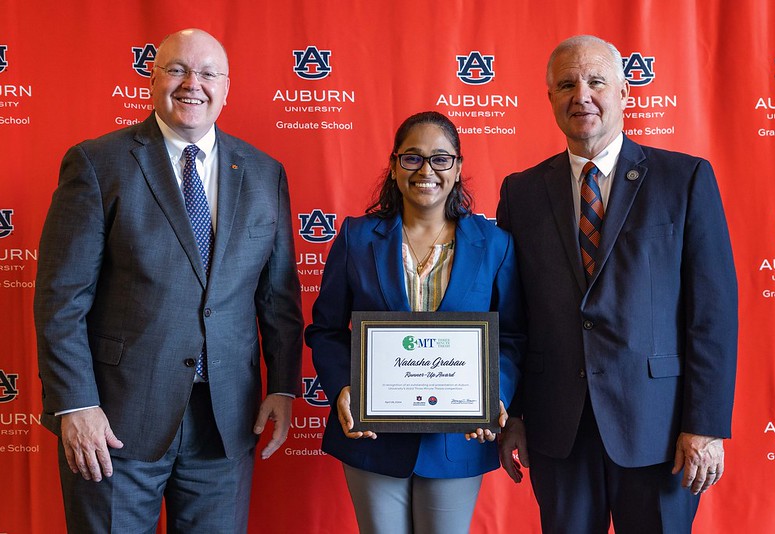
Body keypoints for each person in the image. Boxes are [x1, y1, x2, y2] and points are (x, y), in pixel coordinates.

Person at [33, 28, 303, 533]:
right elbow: (60, 299)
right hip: (114, 422)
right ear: (152, 79)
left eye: (207, 73)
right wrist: (76, 403)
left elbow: (278, 297)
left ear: (227, 86)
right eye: (177, 69)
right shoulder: (98, 163)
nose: (192, 84)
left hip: (225, 422)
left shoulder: (265, 173)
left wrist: (284, 386)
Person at [496, 34, 738, 533]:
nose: (581, 95)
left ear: (625, 94)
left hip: (660, 430)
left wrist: (705, 424)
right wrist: (514, 412)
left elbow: (712, 314)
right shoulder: (520, 192)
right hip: (557, 427)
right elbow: (511, 316)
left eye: (595, 81)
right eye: (566, 84)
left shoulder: (685, 178)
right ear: (550, 100)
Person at [305, 111, 525, 534]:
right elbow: (326, 330)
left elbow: (512, 334)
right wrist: (344, 388)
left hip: (458, 438)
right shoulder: (356, 237)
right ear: (393, 165)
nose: (426, 170)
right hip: (372, 437)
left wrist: (494, 392)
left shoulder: (494, 245)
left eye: (441, 159)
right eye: (413, 158)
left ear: (458, 168)